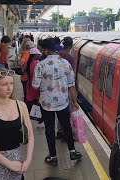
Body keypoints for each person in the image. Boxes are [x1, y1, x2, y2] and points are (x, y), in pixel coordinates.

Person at [32, 38, 82, 166]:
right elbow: (71, 85)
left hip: (46, 104)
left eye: (42, 50)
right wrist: (74, 101)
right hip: (63, 102)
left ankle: (53, 156)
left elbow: (35, 86)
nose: (42, 52)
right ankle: (72, 151)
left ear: (46, 50)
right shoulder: (65, 63)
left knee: (49, 129)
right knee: (66, 127)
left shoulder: (40, 65)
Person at [0, 68, 34, 179]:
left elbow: (31, 135)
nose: (10, 88)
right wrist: (9, 163)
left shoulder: (21, 105)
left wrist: (28, 160)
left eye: (12, 83)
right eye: (4, 84)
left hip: (19, 165)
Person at [24, 48, 41, 113]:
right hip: (35, 84)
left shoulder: (27, 63)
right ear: (35, 55)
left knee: (30, 98)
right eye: (39, 54)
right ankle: (34, 113)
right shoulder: (37, 63)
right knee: (35, 100)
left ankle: (28, 111)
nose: (40, 56)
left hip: (29, 83)